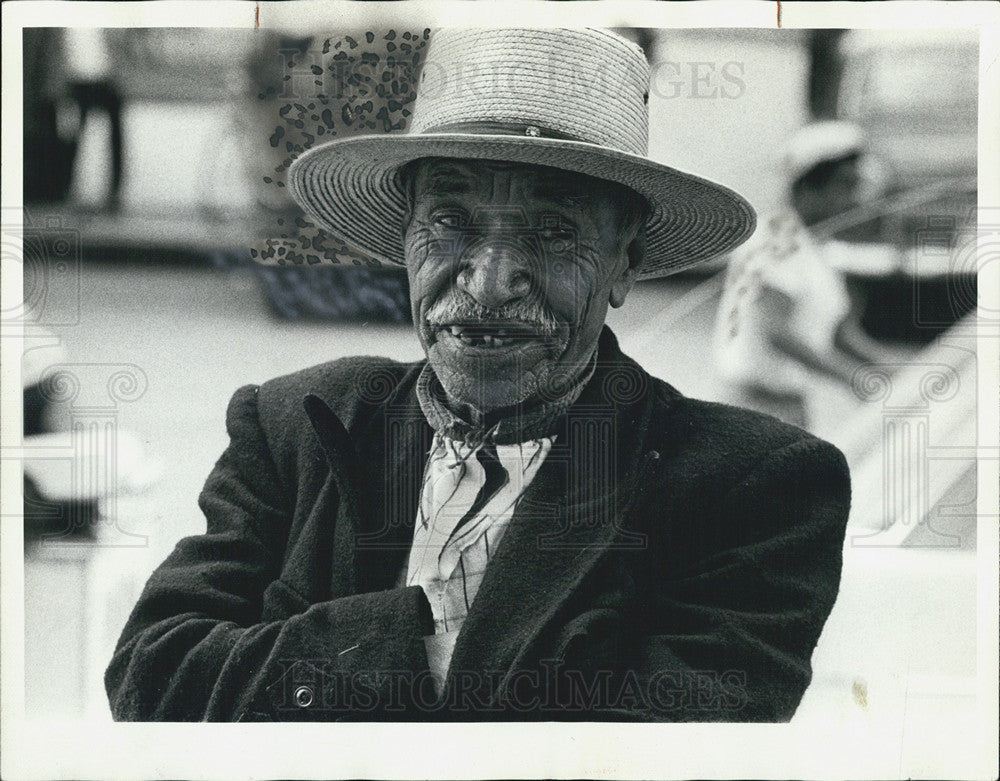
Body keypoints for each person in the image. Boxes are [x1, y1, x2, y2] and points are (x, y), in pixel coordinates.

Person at [106, 28, 851, 722]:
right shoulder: (293, 422)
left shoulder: (754, 486)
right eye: (451, 221)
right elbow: (152, 675)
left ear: (625, 261)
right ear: (405, 238)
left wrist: (392, 660)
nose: (490, 283)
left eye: (554, 232)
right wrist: (400, 643)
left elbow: (673, 745)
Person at [713, 120, 895, 429]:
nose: (852, 199)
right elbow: (777, 332)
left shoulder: (816, 245)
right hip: (753, 406)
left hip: (790, 404)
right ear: (808, 187)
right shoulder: (775, 239)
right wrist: (853, 377)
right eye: (843, 186)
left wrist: (888, 367)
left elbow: (837, 333)